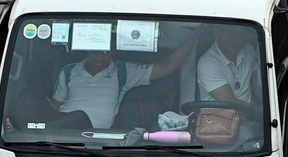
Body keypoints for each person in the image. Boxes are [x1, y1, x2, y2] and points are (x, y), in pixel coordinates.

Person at [51, 36, 195, 130]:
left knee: (80, 116)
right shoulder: (69, 71)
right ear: (87, 50)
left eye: (106, 52)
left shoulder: (124, 71)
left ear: (114, 51)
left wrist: (190, 40)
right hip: (66, 130)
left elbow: (165, 67)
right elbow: (56, 106)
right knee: (76, 116)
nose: (100, 59)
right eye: (95, 52)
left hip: (96, 132)